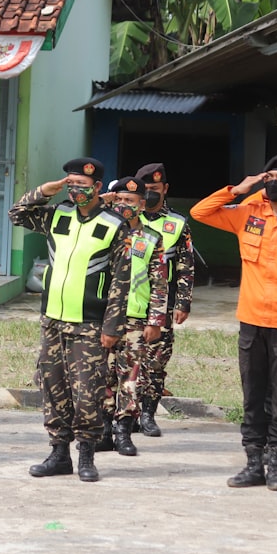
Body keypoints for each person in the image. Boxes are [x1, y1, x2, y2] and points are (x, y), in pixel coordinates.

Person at [191, 153, 277, 491]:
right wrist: (239, 188)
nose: (275, 182)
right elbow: (200, 212)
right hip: (250, 321)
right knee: (252, 396)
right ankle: (253, 464)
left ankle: (276, 465)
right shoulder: (248, 213)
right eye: (270, 176)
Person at [10, 157, 131, 482]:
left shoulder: (114, 225)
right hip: (53, 320)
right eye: (71, 184)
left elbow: (122, 280)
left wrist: (112, 326)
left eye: (82, 185)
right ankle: (58, 453)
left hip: (90, 324)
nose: (76, 190)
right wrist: (43, 192)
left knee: (88, 392)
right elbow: (16, 214)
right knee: (54, 388)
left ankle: (87, 455)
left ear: (97, 188)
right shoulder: (58, 214)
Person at [99, 177, 167, 457]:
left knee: (130, 378)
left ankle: (123, 430)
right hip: (101, 316)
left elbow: (160, 282)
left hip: (135, 319)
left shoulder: (152, 238)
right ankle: (103, 430)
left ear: (142, 204)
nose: (124, 205)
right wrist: (103, 202)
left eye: (130, 200)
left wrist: (156, 320)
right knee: (101, 376)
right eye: (120, 200)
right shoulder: (102, 230)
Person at [135, 163, 195, 437]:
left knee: (156, 360)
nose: (149, 194)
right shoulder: (126, 217)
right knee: (125, 359)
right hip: (129, 300)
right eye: (145, 190)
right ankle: (126, 413)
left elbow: (185, 265)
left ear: (165, 189)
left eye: (154, 190)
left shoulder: (178, 223)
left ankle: (148, 414)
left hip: (162, 302)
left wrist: (183, 302)